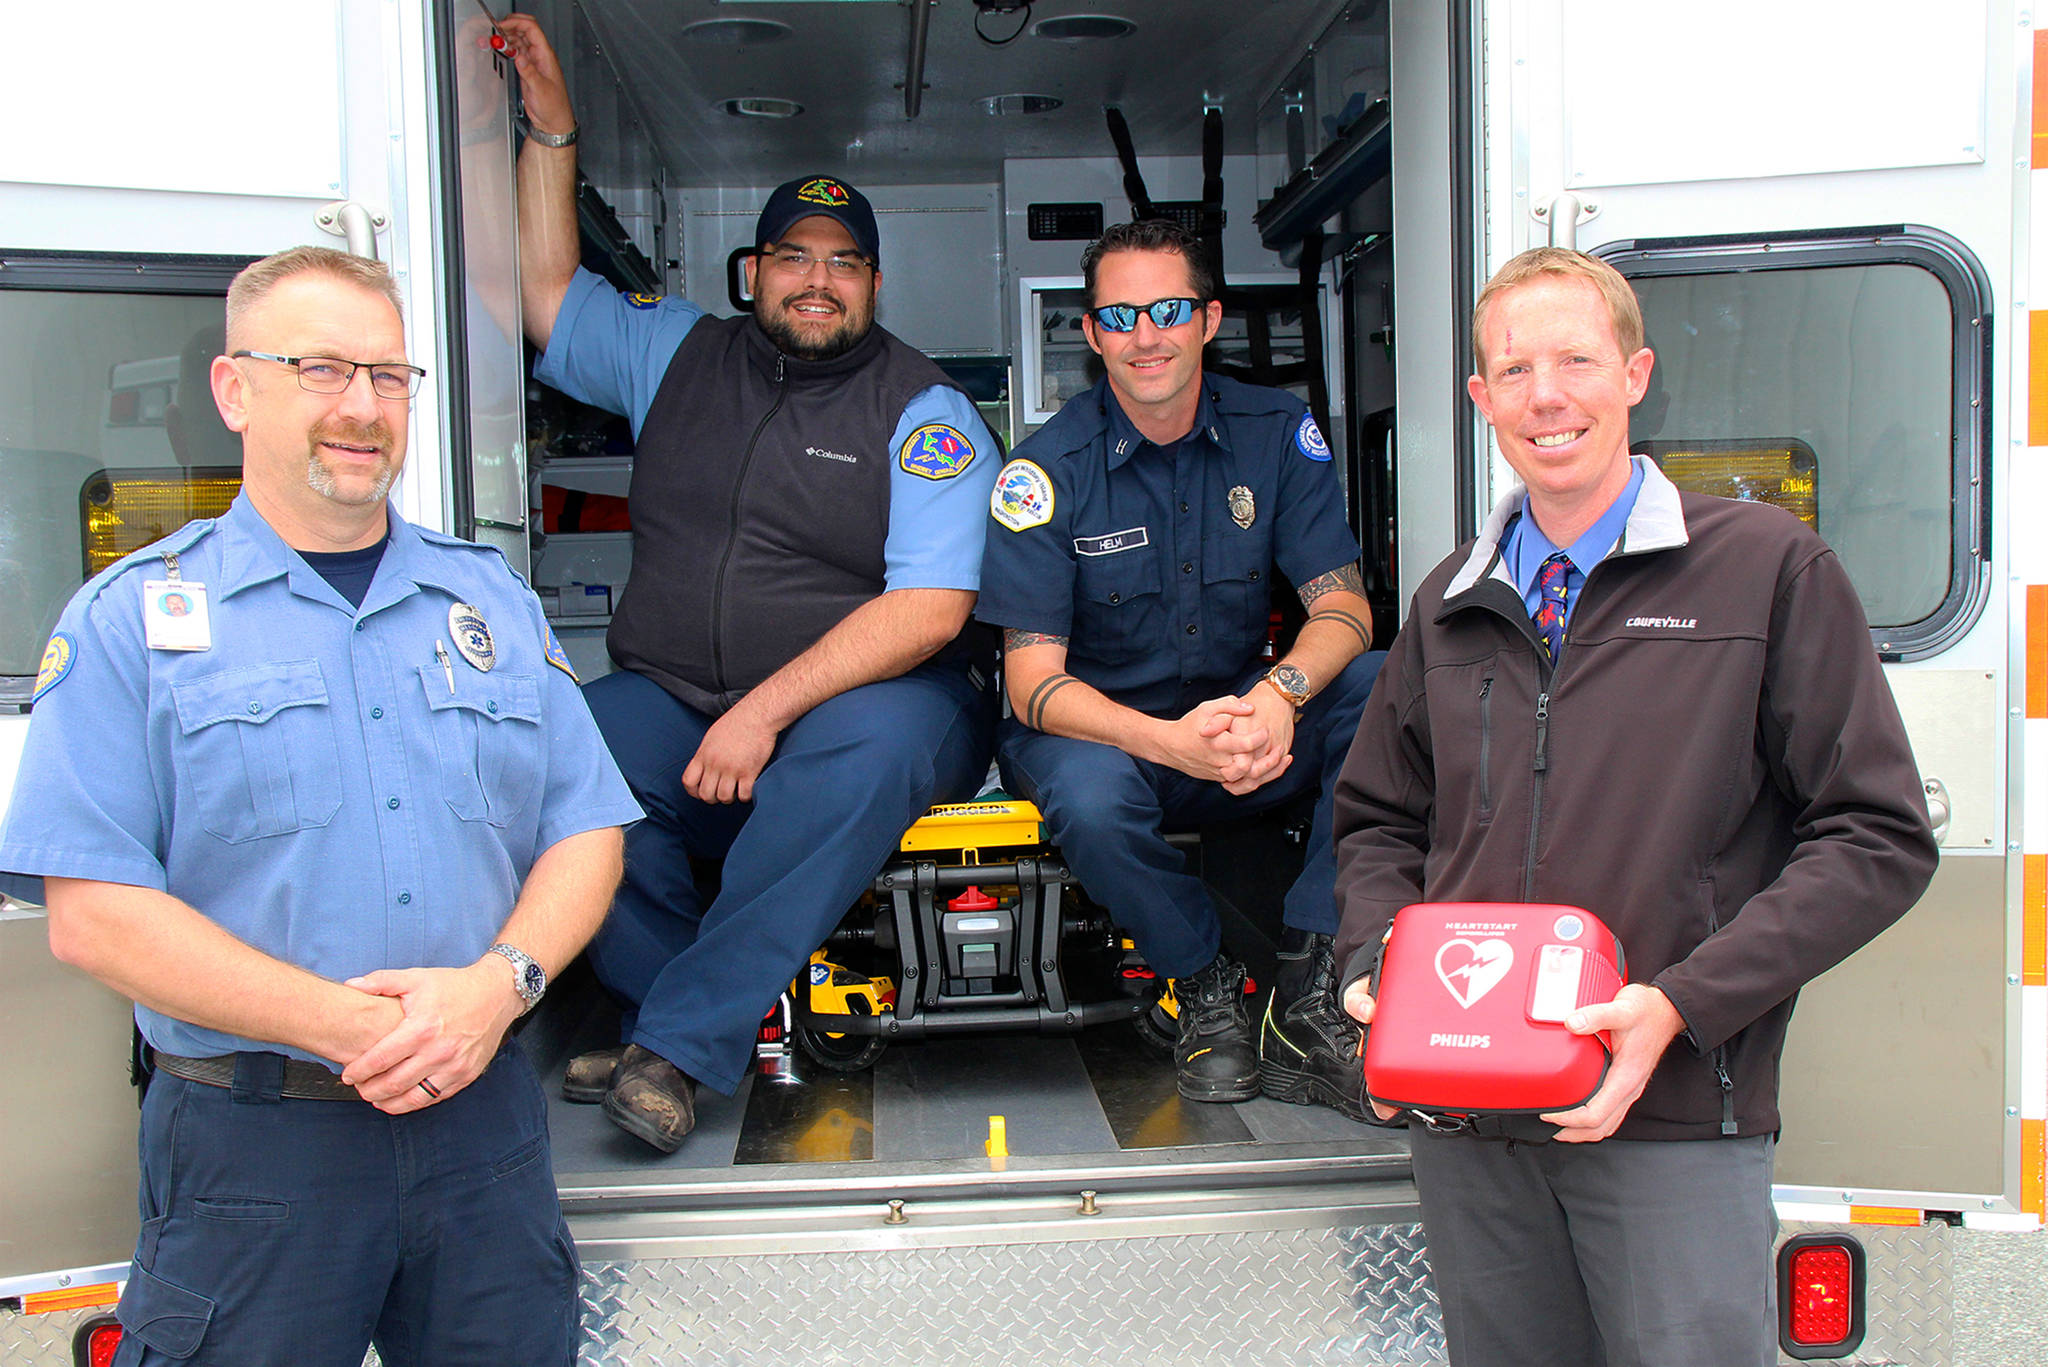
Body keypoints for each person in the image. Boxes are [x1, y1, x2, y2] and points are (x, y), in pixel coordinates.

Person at [0, 246, 641, 1366]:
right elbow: (94, 911)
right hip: (254, 1151)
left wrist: (501, 986)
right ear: (234, 389)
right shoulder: (130, 619)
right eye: (323, 368)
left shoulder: (481, 595)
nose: (363, 407)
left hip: (479, 1128)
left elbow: (583, 827)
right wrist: (363, 1030)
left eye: (390, 376)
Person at [1332, 247, 1938, 1366]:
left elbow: (1875, 835)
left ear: (1634, 374)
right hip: (1468, 1123)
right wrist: (1375, 965)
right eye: (1512, 370)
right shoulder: (1448, 601)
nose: (1544, 395)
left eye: (1574, 359)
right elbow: (1379, 820)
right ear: (1479, 400)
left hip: (1667, 1112)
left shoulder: (1764, 570)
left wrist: (1679, 1002)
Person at [501, 15, 1000, 1151]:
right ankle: (669, 1016)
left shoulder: (924, 410)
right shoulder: (672, 352)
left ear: (872, 281)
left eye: (842, 262)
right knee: (569, 757)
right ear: (753, 271)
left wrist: (762, 710)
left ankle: (674, 1046)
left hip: (885, 692)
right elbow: (539, 288)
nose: (816, 282)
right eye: (794, 257)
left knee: (854, 756)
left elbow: (930, 607)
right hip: (676, 681)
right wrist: (552, 130)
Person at [975, 220, 1384, 1111]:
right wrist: (1169, 742)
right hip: (1105, 733)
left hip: (1242, 724)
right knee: (1088, 794)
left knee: (1384, 686)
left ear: (1208, 319)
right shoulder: (1044, 471)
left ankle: (1311, 988)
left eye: (1167, 309)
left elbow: (1345, 608)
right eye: (1119, 315)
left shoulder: (1276, 432)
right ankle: (1205, 984)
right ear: (1090, 334)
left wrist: (1278, 698)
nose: (1145, 335)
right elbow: (1032, 684)